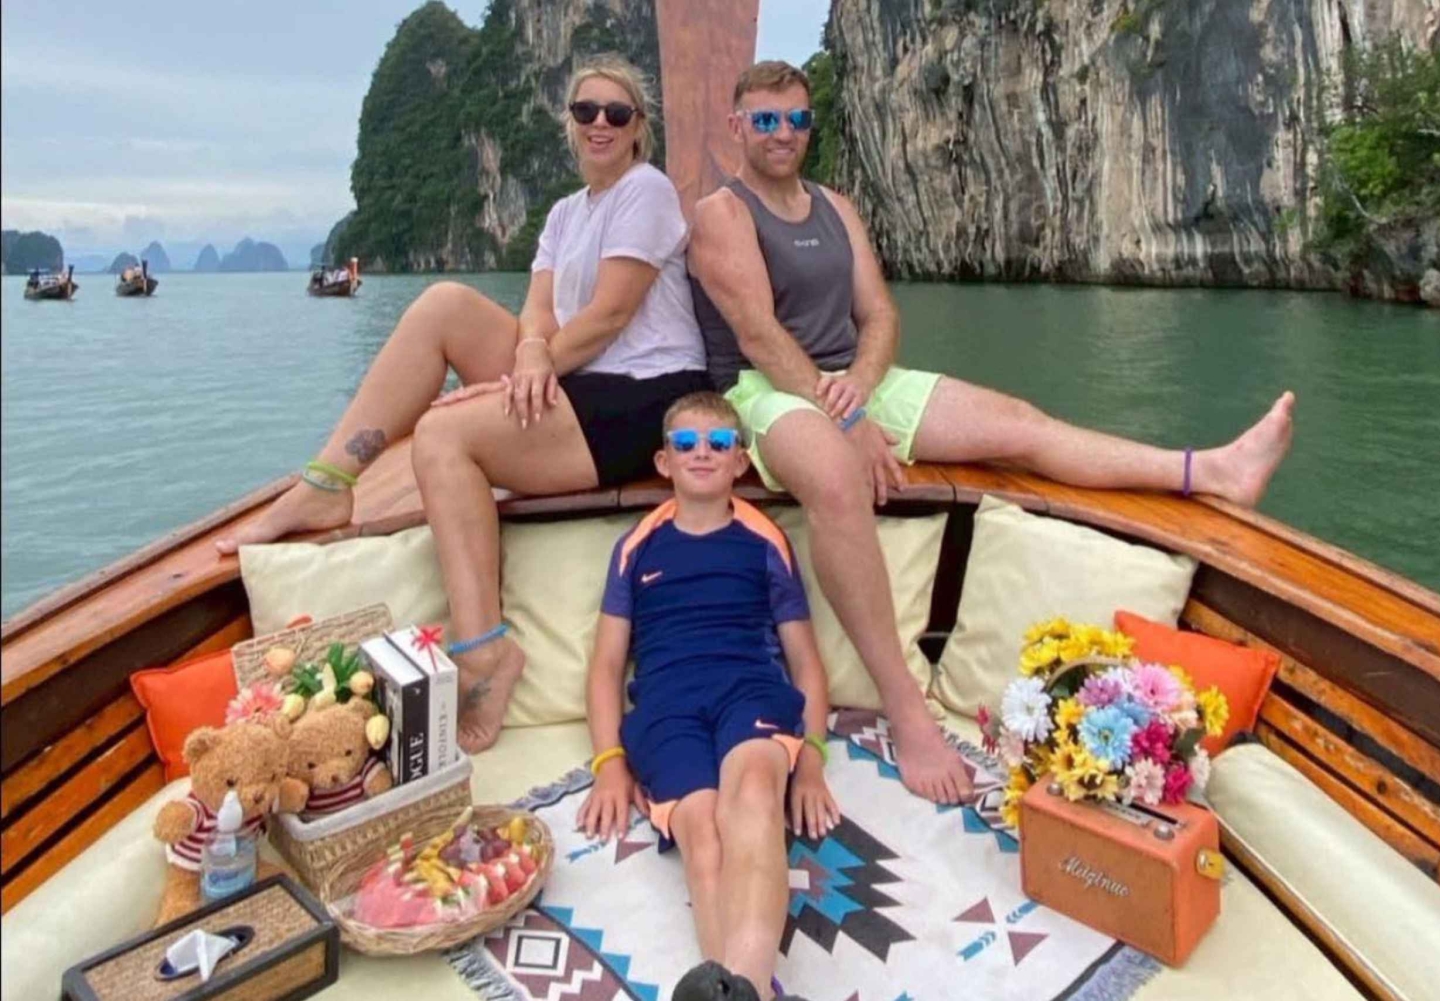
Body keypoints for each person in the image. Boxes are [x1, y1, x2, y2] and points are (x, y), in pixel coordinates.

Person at [688, 60, 1297, 806]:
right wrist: (845, 420)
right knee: (837, 481)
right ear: (737, 126)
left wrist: (863, 389)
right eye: (765, 120)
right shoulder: (722, 213)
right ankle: (906, 707)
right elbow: (758, 335)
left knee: (1019, 423)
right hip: (766, 388)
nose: (783, 134)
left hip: (856, 380)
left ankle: (1209, 471)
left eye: (796, 119)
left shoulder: (835, 207)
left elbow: (879, 316)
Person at [216, 56, 711, 753]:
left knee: (444, 435)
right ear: (569, 123)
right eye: (585, 111)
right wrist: (530, 351)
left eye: (617, 113)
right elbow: (538, 308)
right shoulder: (567, 213)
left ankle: (485, 652)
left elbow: (610, 315)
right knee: (443, 304)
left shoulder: (646, 191)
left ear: (638, 128)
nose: (600, 123)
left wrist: (529, 369)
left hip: (646, 390)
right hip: (574, 375)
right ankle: (327, 482)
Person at [577, 391, 836, 1001]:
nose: (702, 453)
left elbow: (805, 661)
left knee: (753, 796)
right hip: (667, 708)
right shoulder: (636, 546)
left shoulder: (764, 539)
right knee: (702, 831)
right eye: (685, 443)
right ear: (663, 461)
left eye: (718, 443)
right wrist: (608, 763)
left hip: (750, 690)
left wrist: (812, 763)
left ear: (739, 461)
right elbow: (606, 666)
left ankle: (741, 990)